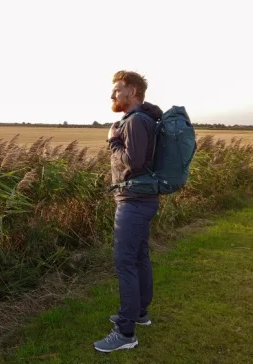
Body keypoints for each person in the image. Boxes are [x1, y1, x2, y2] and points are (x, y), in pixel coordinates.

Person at [93, 70, 163, 353]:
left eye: (117, 89)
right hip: (142, 199)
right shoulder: (143, 119)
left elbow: (133, 161)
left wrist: (112, 140)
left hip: (133, 201)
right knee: (138, 257)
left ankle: (125, 331)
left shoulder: (134, 122)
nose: (112, 95)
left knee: (125, 263)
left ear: (132, 91)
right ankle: (140, 312)